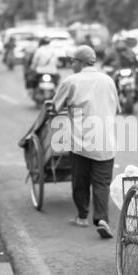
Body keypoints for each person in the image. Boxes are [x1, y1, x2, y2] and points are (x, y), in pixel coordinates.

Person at [52, 45, 120, 239]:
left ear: (80, 63)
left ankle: (82, 216)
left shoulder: (71, 81)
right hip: (106, 142)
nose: (71, 64)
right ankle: (101, 219)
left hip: (80, 143)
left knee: (80, 181)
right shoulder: (108, 80)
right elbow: (117, 108)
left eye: (72, 61)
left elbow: (55, 107)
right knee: (101, 183)